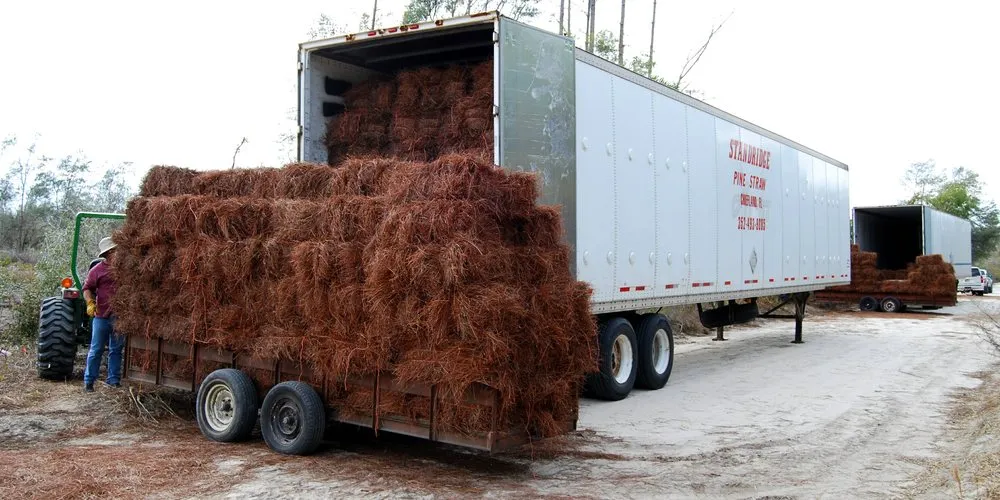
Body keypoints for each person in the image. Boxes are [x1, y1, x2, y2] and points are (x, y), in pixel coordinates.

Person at [83, 237, 123, 392]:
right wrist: (90, 303)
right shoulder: (97, 270)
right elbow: (87, 288)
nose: (117, 253)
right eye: (114, 251)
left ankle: (113, 380)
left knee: (116, 350)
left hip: (119, 317)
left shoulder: (124, 270)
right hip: (101, 316)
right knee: (96, 349)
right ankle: (89, 381)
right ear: (107, 254)